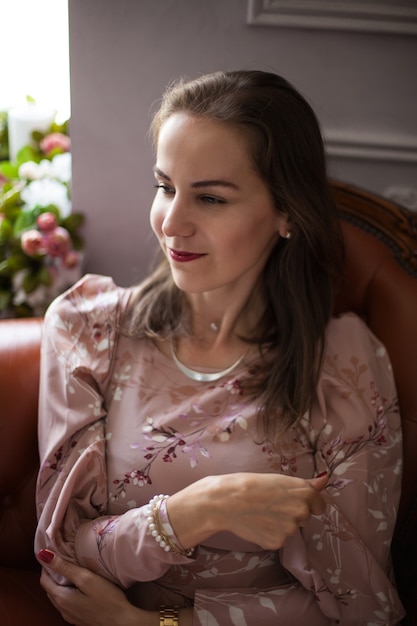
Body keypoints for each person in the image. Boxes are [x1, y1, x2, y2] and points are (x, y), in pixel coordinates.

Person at [35, 69, 405, 625]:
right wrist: (196, 512)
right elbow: (60, 551)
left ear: (286, 212)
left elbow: (362, 604)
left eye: (209, 197)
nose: (171, 223)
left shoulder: (343, 364)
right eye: (165, 186)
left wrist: (150, 625)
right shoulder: (87, 331)